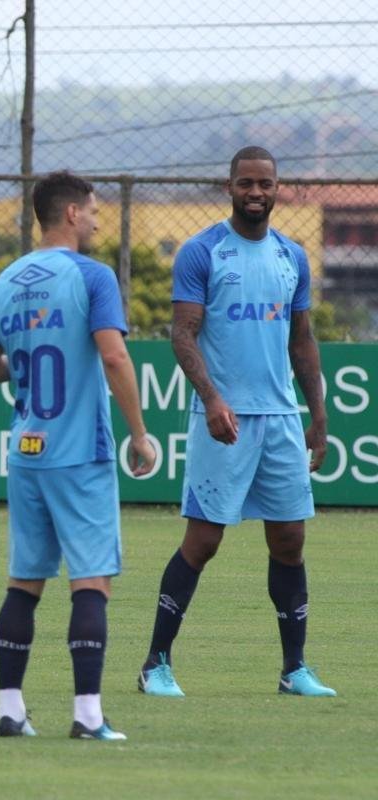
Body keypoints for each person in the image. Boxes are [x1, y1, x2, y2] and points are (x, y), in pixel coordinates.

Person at [138, 146, 336, 699]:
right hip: (221, 418)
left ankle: (293, 669)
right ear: (229, 187)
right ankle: (155, 664)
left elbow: (302, 339)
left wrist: (316, 414)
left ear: (278, 188)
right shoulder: (202, 252)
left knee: (290, 540)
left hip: (279, 419)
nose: (256, 192)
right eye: (246, 183)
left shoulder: (292, 257)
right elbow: (183, 333)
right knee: (203, 541)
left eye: (265, 183)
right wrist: (213, 398)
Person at [0, 171, 156, 740]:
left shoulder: (3, 282)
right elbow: (114, 357)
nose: (99, 219)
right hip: (79, 451)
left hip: (26, 449)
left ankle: (10, 710)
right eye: (95, 210)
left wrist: (27, 354)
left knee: (24, 583)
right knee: (91, 582)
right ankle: (87, 716)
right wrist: (140, 434)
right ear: (72, 213)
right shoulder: (92, 277)